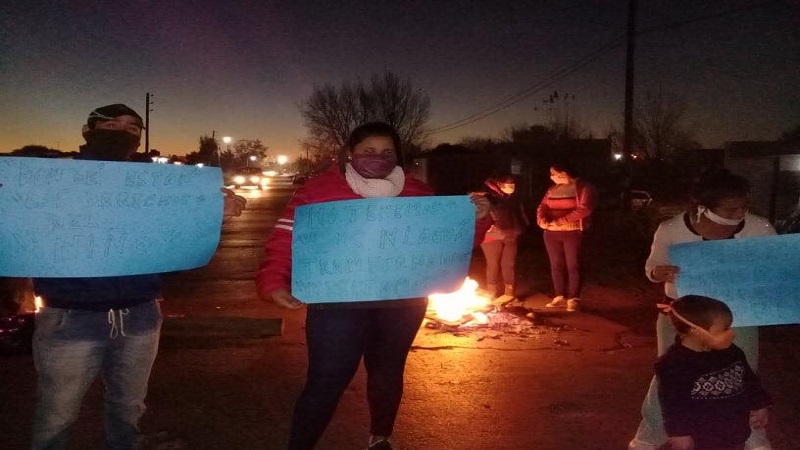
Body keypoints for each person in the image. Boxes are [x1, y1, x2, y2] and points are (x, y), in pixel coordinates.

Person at [256, 122, 487, 450]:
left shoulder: (418, 192)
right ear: (350, 153)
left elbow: (446, 245)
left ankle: (380, 438)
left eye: (387, 152)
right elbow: (284, 239)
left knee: (388, 372)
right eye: (368, 150)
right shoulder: (318, 190)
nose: (378, 157)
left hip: (402, 303)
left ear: (398, 156)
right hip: (337, 303)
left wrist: (477, 220)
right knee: (326, 380)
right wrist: (272, 282)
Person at [30, 104, 246, 450]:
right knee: (57, 412)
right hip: (71, 315)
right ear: (88, 131)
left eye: (133, 128)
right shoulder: (52, 182)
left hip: (140, 312)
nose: (122, 132)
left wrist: (213, 215)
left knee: (129, 404)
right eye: (111, 124)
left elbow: (171, 237)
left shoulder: (154, 187)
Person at [629, 169, 775, 450]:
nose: (739, 214)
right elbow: (651, 268)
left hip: (738, 314)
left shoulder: (759, 227)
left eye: (744, 206)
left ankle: (753, 435)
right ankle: (650, 435)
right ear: (704, 207)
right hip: (685, 316)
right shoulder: (672, 229)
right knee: (671, 376)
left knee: (742, 371)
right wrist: (659, 272)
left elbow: (774, 270)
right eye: (731, 209)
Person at [655, 295, 771, 450]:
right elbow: (672, 403)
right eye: (723, 329)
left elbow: (749, 379)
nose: (730, 333)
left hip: (734, 430)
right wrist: (679, 433)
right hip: (701, 437)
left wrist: (760, 404)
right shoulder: (674, 363)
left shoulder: (731, 352)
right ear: (696, 331)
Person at [536, 160, 596, 312]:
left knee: (573, 265)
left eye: (553, 174)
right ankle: (559, 295)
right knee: (556, 265)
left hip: (573, 232)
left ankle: (573, 298)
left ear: (564, 174)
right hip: (551, 233)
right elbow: (542, 206)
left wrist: (561, 220)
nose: (551, 177)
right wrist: (541, 220)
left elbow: (585, 208)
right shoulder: (553, 189)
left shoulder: (584, 187)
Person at [477, 174, 529, 302]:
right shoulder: (487, 196)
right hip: (491, 235)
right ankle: (491, 291)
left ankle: (509, 293)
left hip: (510, 233)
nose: (512, 187)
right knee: (493, 264)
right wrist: (485, 226)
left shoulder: (513, 198)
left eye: (513, 185)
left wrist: (519, 229)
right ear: (499, 184)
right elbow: (478, 214)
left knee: (509, 264)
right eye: (509, 184)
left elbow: (520, 214)